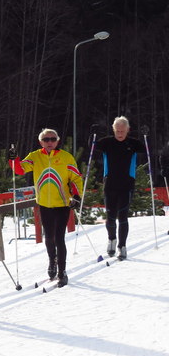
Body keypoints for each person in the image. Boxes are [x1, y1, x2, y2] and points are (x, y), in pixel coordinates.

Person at [11, 129, 83, 287]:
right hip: (44, 204)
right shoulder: (35, 156)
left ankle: (62, 271)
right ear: (41, 142)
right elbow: (20, 169)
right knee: (49, 237)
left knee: (59, 238)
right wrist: (13, 159)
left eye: (53, 139)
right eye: (46, 139)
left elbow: (76, 178)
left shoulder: (66, 157)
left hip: (62, 203)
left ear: (57, 141)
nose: (50, 142)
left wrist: (77, 196)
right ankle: (52, 261)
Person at [95, 117, 146, 260]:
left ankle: (122, 246)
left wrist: (145, 136)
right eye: (117, 131)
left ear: (127, 130)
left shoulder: (133, 143)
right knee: (110, 217)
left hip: (127, 184)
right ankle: (112, 239)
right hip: (110, 184)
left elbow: (146, 148)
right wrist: (92, 135)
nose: (120, 134)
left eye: (122, 131)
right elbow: (93, 146)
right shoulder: (107, 142)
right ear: (114, 129)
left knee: (123, 216)